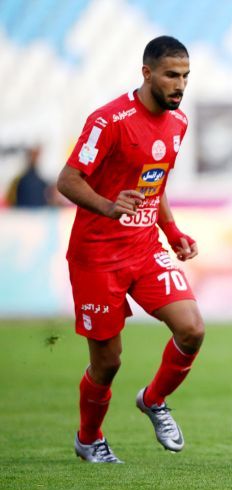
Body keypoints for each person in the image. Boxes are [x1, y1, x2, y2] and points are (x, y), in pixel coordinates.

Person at [57, 36, 204, 463]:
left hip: (144, 248)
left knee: (192, 328)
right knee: (108, 363)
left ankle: (154, 400)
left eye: (185, 76)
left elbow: (154, 182)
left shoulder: (178, 123)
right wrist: (108, 206)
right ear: (147, 73)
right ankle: (89, 439)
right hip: (97, 257)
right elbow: (67, 180)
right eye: (171, 75)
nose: (180, 85)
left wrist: (171, 231)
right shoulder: (109, 120)